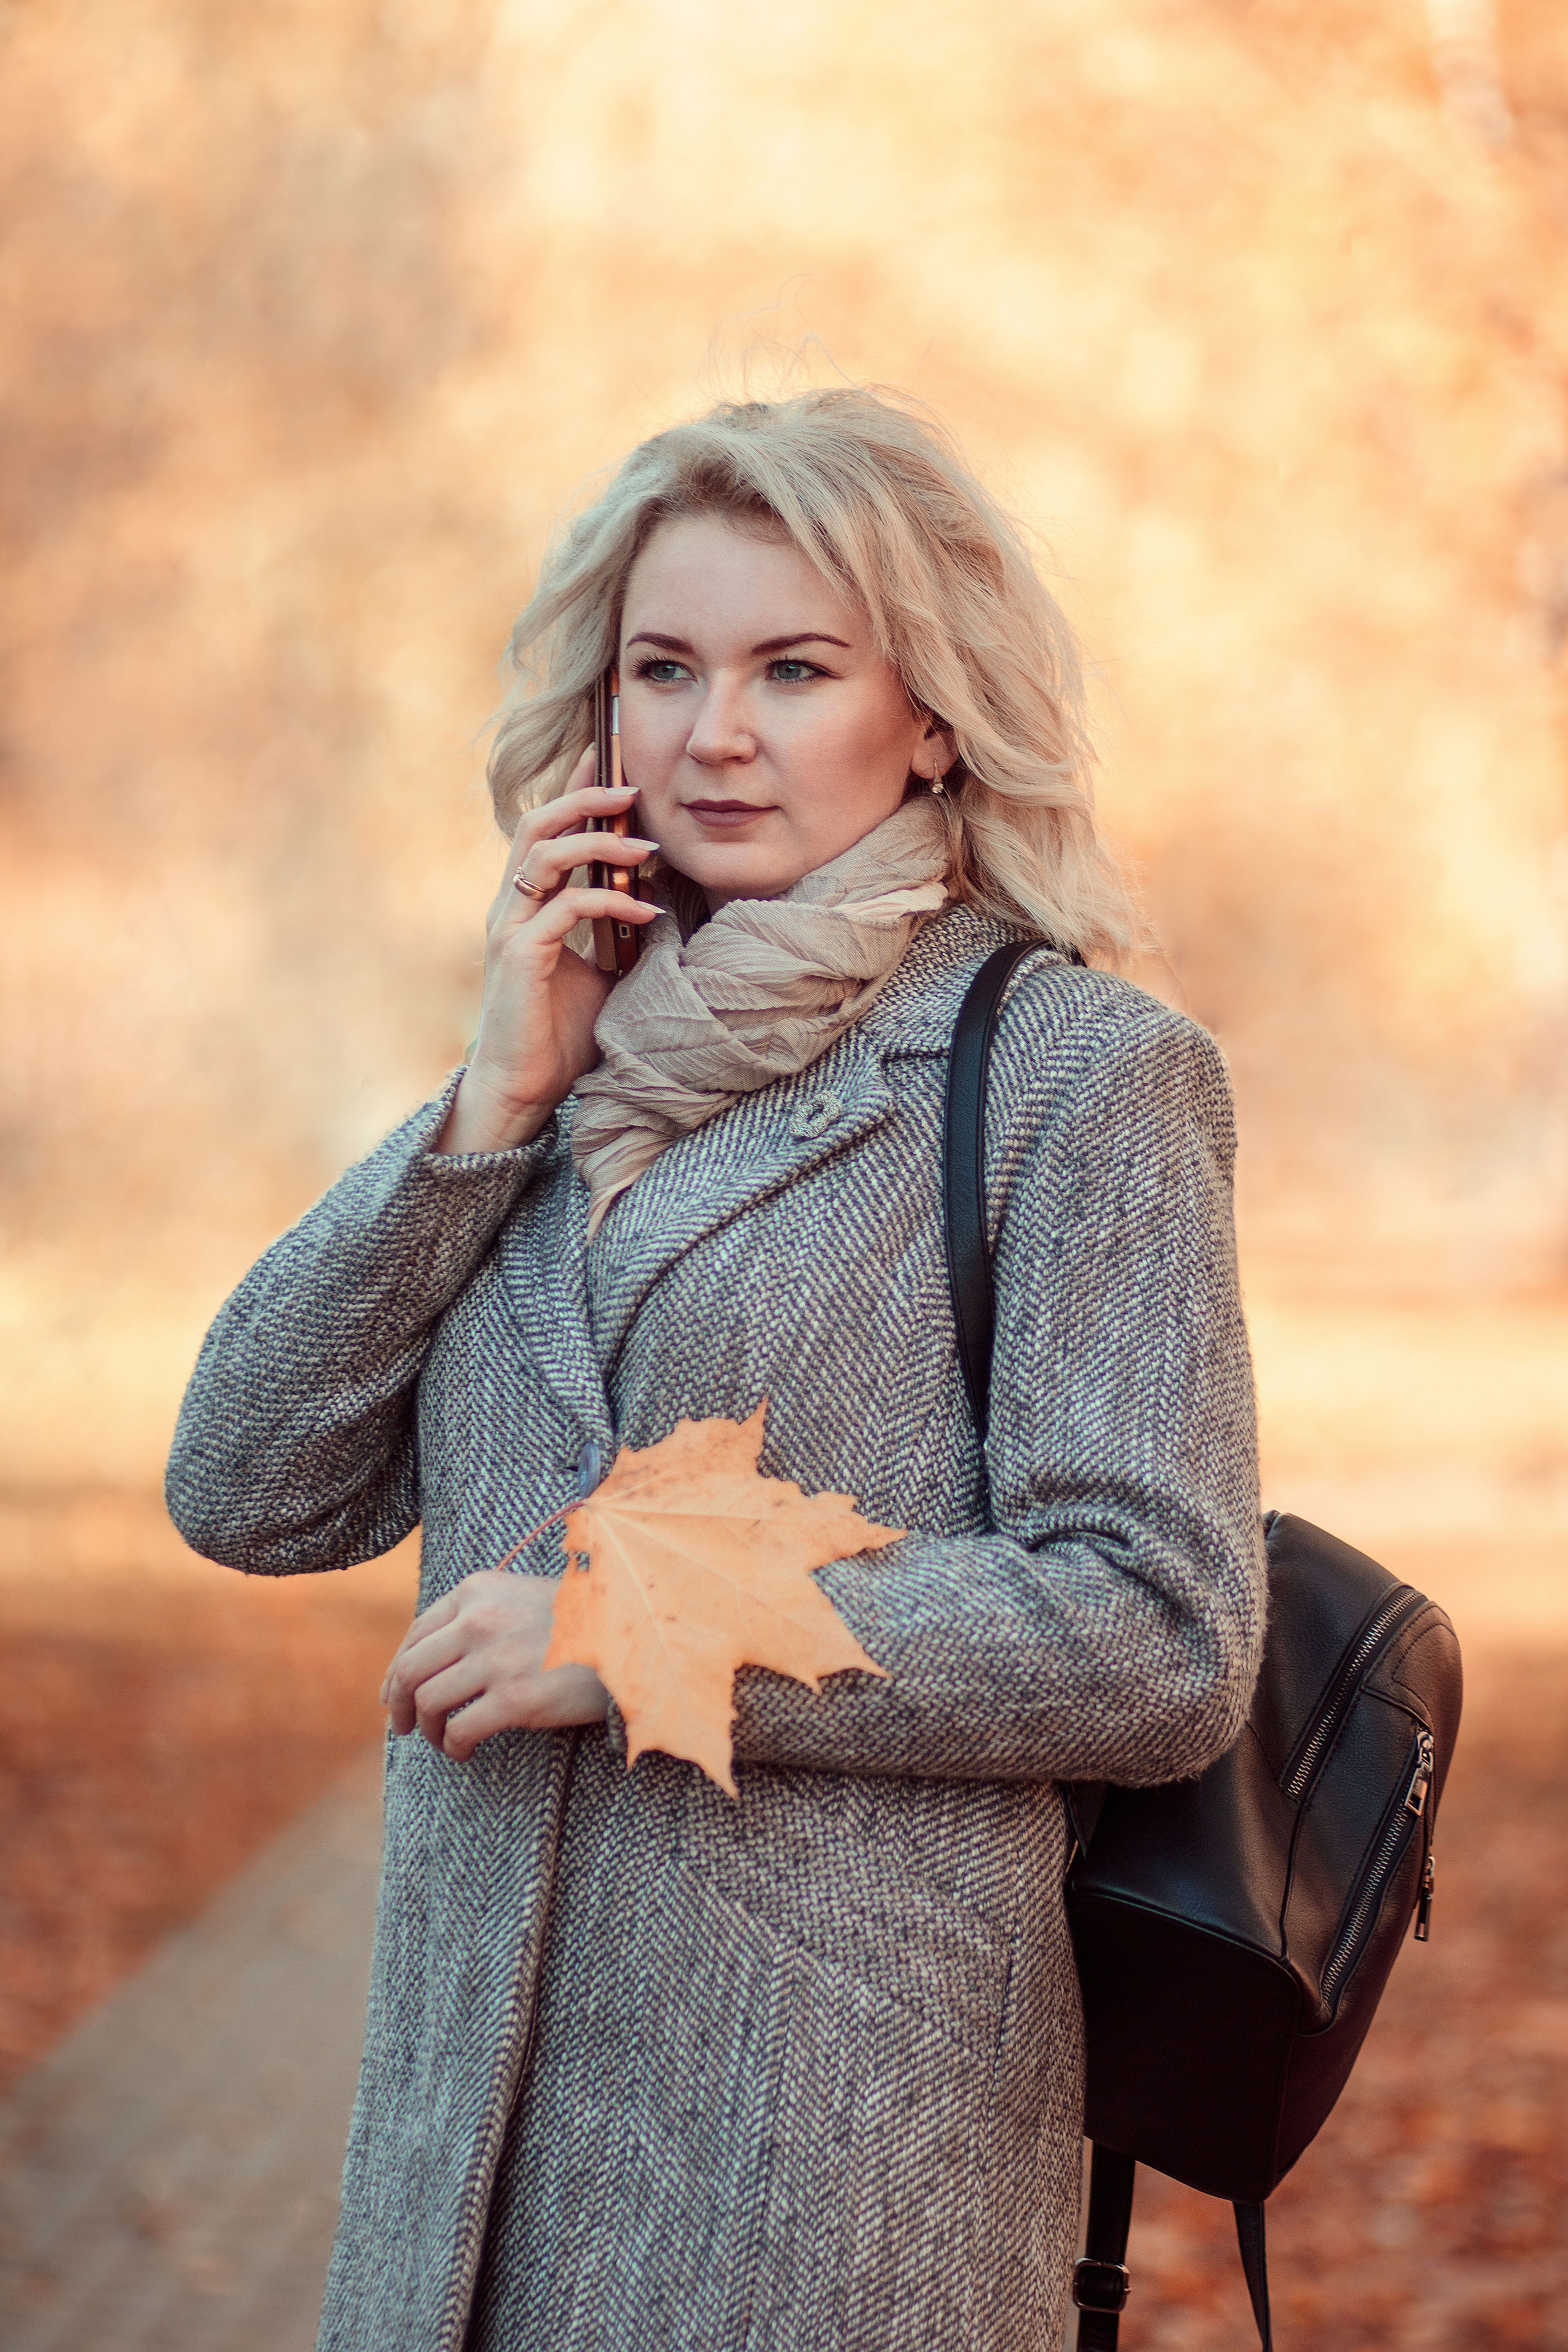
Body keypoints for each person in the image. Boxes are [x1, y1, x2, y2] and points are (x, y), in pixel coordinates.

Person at [167, 387, 1265, 2352]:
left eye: (794, 668)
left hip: (828, 2168)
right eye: (664, 667)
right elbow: (248, 1489)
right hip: (460, 2165)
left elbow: (1165, 1630)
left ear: (930, 710)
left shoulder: (1077, 1078)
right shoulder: (560, 1060)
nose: (716, 731)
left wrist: (643, 1624)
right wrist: (490, 1099)